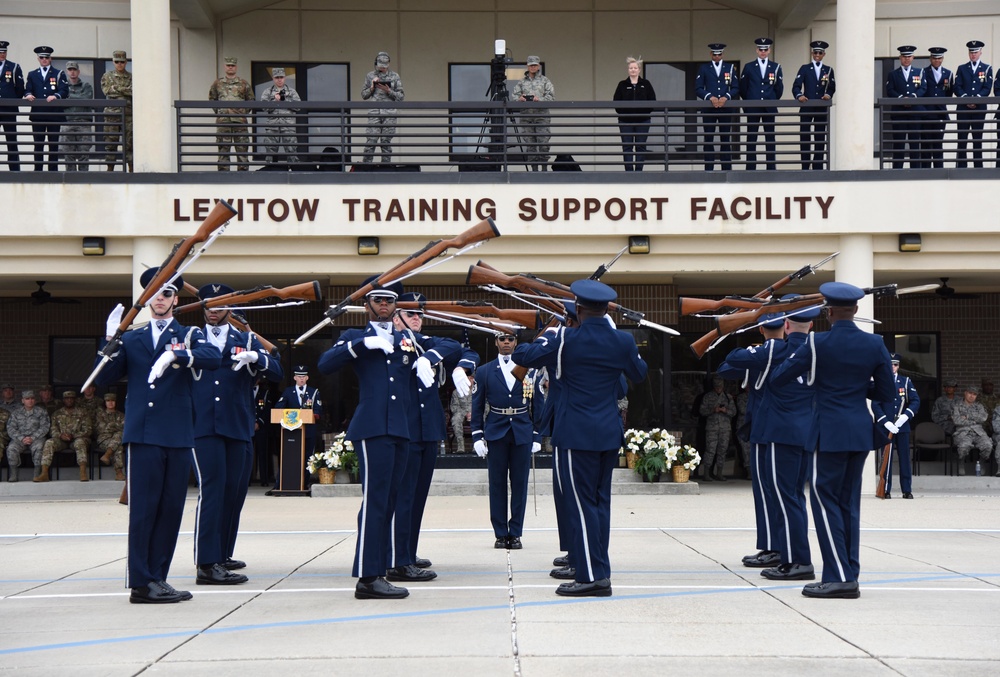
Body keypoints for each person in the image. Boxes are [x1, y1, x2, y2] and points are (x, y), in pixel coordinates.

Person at [318, 279, 451, 600]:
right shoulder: (355, 337)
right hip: (372, 428)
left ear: (396, 307)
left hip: (402, 430)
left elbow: (451, 345)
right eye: (377, 300)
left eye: (388, 301)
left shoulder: (408, 339)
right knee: (376, 502)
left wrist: (427, 359)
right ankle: (367, 577)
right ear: (367, 305)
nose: (383, 305)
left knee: (390, 501)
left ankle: (381, 569)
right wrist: (362, 346)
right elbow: (325, 364)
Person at [513, 280, 648, 597]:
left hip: (574, 434)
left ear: (580, 309)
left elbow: (523, 354)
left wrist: (548, 333)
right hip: (608, 432)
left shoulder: (564, 340)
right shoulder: (623, 341)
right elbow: (639, 374)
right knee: (600, 504)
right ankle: (599, 570)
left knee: (580, 505)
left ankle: (591, 577)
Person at [95, 267, 221, 604]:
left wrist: (176, 354)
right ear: (147, 299)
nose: (160, 299)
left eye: (166, 293)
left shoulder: (189, 334)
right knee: (143, 510)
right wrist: (109, 340)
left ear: (175, 299)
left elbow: (213, 357)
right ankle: (140, 582)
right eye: (154, 293)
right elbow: (103, 376)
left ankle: (158, 578)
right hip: (144, 433)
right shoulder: (133, 338)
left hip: (178, 433)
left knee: (170, 510)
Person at [771, 282, 895, 599]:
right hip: (859, 431)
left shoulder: (817, 343)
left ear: (829, 312)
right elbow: (886, 393)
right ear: (854, 311)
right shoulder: (875, 344)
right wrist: (854, 387)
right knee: (847, 504)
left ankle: (839, 577)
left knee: (825, 501)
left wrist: (822, 383)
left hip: (829, 432)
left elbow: (779, 377)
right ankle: (848, 572)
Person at [192, 283, 283, 584]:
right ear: (203, 308)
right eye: (209, 304)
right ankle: (207, 563)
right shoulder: (190, 337)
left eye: (220, 305)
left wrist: (259, 359)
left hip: (239, 424)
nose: (214, 310)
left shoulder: (245, 338)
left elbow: (278, 372)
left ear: (230, 308)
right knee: (213, 491)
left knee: (234, 492)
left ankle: (222, 553)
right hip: (204, 425)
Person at [725, 302, 822, 581]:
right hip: (805, 432)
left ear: (787, 325)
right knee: (792, 497)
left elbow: (732, 357)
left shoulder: (778, 349)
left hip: (780, 432)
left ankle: (797, 561)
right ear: (812, 325)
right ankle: (790, 556)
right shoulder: (818, 350)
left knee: (785, 497)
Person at [386, 292, 474, 582]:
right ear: (396, 317)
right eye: (410, 314)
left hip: (428, 430)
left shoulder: (424, 344)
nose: (417, 319)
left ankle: (408, 553)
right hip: (405, 429)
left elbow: (458, 347)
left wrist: (460, 365)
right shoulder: (388, 342)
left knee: (418, 497)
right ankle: (397, 559)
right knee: (404, 497)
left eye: (419, 315)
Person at [718, 313, 787, 569]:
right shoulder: (791, 351)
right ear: (786, 327)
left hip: (765, 425)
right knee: (775, 490)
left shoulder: (765, 354)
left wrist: (752, 355)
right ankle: (775, 545)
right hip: (780, 427)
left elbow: (726, 364)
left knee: (769, 490)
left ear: (760, 330)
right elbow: (725, 370)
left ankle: (775, 547)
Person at [471, 332, 539, 550]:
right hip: (496, 431)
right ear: (496, 342)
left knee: (519, 484)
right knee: (497, 484)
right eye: (502, 339)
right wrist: (477, 435)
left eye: (510, 339)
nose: (506, 342)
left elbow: (538, 403)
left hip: (521, 430)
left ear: (516, 342)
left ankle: (516, 532)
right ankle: (501, 533)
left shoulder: (528, 368)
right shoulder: (484, 371)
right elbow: (477, 405)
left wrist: (537, 434)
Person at [872, 353, 920, 499]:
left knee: (905, 458)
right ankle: (885, 489)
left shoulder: (905, 382)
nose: (893, 367)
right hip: (886, 427)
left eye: (895, 364)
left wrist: (905, 417)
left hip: (902, 427)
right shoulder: (880, 382)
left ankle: (906, 489)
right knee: (886, 457)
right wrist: (885, 421)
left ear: (898, 366)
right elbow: (876, 404)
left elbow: (915, 401)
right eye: (890, 364)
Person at [272, 365, 322, 491]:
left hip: (308, 431)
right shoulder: (288, 392)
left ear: (307, 378)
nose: (301, 379)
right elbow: (279, 408)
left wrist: (312, 414)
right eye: (299, 376)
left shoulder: (313, 392)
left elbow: (318, 410)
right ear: (294, 377)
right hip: (291, 432)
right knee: (290, 458)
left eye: (304, 376)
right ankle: (284, 484)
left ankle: (304, 483)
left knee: (307, 458)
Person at [739, 37, 783, 171]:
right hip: (753, 106)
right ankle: (751, 168)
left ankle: (771, 167)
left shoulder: (776, 67)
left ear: (769, 50)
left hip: (769, 107)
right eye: (760, 49)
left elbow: (779, 88)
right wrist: (749, 103)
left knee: (770, 138)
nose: (763, 52)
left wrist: (772, 100)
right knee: (751, 138)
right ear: (756, 50)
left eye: (765, 49)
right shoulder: (749, 66)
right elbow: (743, 88)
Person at [694, 43, 739, 172]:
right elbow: (698, 88)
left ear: (723, 54)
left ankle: (726, 169)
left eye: (719, 54)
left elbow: (735, 87)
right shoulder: (704, 68)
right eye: (715, 54)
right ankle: (709, 169)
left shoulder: (730, 68)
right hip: (709, 108)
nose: (717, 56)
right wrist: (710, 97)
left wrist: (726, 97)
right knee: (709, 138)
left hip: (725, 108)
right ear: (711, 54)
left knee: (725, 138)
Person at [22, 45, 68, 171]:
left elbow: (65, 90)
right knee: (38, 144)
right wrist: (28, 94)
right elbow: (27, 89)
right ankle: (38, 171)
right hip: (38, 114)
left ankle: (52, 171)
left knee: (53, 144)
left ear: (50, 58)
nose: (44, 59)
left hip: (54, 114)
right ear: (38, 58)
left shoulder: (59, 73)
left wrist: (56, 96)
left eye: (46, 57)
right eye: (41, 57)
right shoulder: (32, 74)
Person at [792, 40, 836, 170]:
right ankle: (805, 166)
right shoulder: (805, 68)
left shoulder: (828, 70)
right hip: (806, 106)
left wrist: (828, 95)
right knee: (805, 136)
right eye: (815, 52)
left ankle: (818, 166)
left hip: (821, 107)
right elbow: (796, 86)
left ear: (824, 54)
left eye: (820, 52)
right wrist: (799, 95)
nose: (817, 54)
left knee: (820, 137)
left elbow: (832, 87)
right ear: (812, 53)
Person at [208, 57, 254, 171]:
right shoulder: (217, 83)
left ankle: (243, 175)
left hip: (240, 122)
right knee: (223, 149)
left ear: (236, 67)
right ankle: (224, 175)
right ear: (225, 67)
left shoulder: (243, 83)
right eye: (228, 65)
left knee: (242, 149)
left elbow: (251, 101)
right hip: (223, 122)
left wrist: (241, 112)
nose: (230, 67)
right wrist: (221, 112)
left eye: (232, 65)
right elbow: (212, 99)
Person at [885, 45, 927, 169]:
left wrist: (913, 97)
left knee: (914, 143)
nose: (906, 59)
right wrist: (900, 99)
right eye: (904, 56)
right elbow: (890, 90)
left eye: (909, 56)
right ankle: (897, 169)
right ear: (900, 58)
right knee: (899, 143)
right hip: (899, 112)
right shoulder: (893, 74)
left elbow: (923, 88)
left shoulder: (919, 72)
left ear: (913, 57)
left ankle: (915, 169)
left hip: (915, 113)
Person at [612, 56, 656, 172]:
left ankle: (639, 171)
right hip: (625, 121)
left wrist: (644, 112)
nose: (633, 70)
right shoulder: (622, 84)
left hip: (643, 120)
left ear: (639, 70)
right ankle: (629, 171)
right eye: (631, 68)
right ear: (628, 70)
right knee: (627, 147)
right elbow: (616, 102)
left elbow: (652, 101)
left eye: (635, 68)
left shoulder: (646, 84)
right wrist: (625, 113)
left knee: (641, 146)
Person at [952, 41, 992, 169]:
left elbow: (987, 87)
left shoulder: (987, 68)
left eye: (975, 52)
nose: (973, 54)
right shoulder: (962, 68)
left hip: (979, 108)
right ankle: (961, 167)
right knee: (962, 138)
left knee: (977, 139)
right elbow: (957, 86)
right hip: (963, 108)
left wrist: (977, 99)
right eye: (971, 52)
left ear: (980, 52)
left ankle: (978, 167)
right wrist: (966, 98)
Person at [512, 55, 555, 171]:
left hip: (542, 116)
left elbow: (551, 97)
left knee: (543, 142)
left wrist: (539, 99)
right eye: (531, 65)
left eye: (535, 65)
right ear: (527, 66)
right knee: (530, 143)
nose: (533, 67)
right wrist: (520, 99)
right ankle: (534, 169)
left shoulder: (545, 81)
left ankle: (544, 169)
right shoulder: (521, 82)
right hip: (526, 117)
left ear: (538, 66)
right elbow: (514, 96)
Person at [38, 390, 92, 482]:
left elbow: (88, 430)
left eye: (71, 398)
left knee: (80, 443)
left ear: (75, 400)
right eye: (67, 399)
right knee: (49, 442)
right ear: (63, 400)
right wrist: (60, 435)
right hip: (61, 440)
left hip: (77, 439)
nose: (69, 400)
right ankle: (44, 473)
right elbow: (53, 429)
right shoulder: (57, 413)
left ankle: (83, 472)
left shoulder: (83, 412)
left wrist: (73, 435)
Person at [360, 51, 404, 164]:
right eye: (380, 66)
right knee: (371, 141)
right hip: (374, 113)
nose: (382, 68)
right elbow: (364, 95)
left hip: (389, 114)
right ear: (376, 63)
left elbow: (401, 97)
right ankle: (366, 167)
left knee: (386, 142)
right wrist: (372, 87)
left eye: (384, 66)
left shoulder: (395, 76)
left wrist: (389, 91)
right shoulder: (370, 75)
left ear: (388, 64)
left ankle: (386, 167)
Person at [5, 390, 50, 482]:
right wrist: (22, 438)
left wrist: (32, 438)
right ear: (22, 401)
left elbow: (45, 427)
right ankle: (14, 474)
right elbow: (11, 428)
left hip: (37, 438)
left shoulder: (41, 412)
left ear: (35, 400)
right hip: (20, 439)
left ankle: (37, 473)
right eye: (27, 399)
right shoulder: (16, 413)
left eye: (32, 398)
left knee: (39, 447)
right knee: (11, 448)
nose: (30, 401)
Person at [259, 67, 301, 165]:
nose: (279, 79)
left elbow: (298, 106)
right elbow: (263, 107)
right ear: (273, 78)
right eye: (277, 77)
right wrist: (274, 101)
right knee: (270, 154)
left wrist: (284, 100)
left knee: (292, 153)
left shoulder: (291, 91)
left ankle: (293, 174)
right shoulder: (267, 92)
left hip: (288, 127)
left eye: (281, 77)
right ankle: (270, 174)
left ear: (285, 78)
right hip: (272, 126)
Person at [698, 376, 736, 481]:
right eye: (717, 387)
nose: (718, 388)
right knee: (710, 450)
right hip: (712, 428)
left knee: (722, 450)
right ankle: (706, 473)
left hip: (725, 428)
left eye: (720, 386)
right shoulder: (708, 396)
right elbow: (702, 411)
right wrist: (713, 410)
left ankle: (719, 473)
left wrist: (725, 410)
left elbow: (734, 412)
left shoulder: (728, 397)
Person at [100, 50, 132, 172]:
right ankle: (110, 171)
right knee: (110, 144)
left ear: (126, 62)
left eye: (122, 62)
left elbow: (133, 91)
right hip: (112, 115)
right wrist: (125, 90)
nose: (119, 64)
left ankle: (131, 170)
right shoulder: (107, 76)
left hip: (128, 114)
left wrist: (117, 88)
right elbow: (107, 91)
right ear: (113, 62)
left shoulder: (131, 77)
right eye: (117, 62)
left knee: (129, 144)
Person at [920, 47, 952, 169]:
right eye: (934, 58)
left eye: (939, 58)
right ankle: (926, 171)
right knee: (926, 145)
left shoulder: (948, 73)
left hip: (940, 113)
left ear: (942, 59)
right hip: (927, 113)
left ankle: (939, 170)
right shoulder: (923, 72)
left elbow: (949, 93)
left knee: (938, 144)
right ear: (930, 59)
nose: (937, 60)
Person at [61, 61, 93, 172]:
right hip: (67, 122)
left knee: (84, 153)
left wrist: (69, 98)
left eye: (74, 69)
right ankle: (71, 179)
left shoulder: (86, 86)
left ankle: (83, 179)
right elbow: (61, 100)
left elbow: (86, 100)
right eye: (70, 70)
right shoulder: (63, 87)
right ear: (67, 72)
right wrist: (78, 98)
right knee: (68, 154)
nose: (72, 72)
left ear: (78, 71)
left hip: (83, 123)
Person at [951, 385, 991, 476]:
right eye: (970, 393)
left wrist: (967, 417)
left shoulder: (979, 406)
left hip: (979, 432)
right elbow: (957, 421)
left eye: (974, 394)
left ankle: (981, 462)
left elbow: (983, 418)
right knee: (963, 447)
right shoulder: (957, 406)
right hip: (963, 432)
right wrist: (975, 420)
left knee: (988, 445)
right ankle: (961, 463)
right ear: (965, 393)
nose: (972, 396)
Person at [0, 40, 24, 171]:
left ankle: (14, 170)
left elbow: (20, 88)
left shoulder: (14, 67)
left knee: (12, 141)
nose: (2, 54)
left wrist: (13, 99)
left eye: (4, 52)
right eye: (0, 52)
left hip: (9, 109)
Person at [94, 393, 126, 481]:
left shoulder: (121, 415)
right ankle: (119, 472)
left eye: (112, 401)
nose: (110, 403)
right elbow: (101, 429)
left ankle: (107, 455)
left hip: (117, 439)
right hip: (104, 439)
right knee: (118, 441)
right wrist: (115, 426)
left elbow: (126, 428)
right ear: (105, 402)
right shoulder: (100, 415)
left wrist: (111, 426)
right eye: (108, 401)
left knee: (118, 438)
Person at [449, 384, 472, 453]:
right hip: (461, 412)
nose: (470, 380)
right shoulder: (456, 392)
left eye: (471, 378)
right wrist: (465, 413)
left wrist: (473, 413)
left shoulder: (479, 390)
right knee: (456, 419)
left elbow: (485, 404)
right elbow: (454, 407)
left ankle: (478, 444)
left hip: (476, 412)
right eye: (468, 378)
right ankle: (460, 445)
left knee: (482, 418)